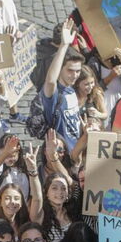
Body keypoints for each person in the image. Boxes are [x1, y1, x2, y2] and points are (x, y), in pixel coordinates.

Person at [39, 18, 84, 149]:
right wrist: (64, 45)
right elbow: (50, 81)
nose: (75, 75)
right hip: (61, 155)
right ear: (60, 69)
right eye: (70, 70)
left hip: (76, 152)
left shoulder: (71, 90)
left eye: (78, 71)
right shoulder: (54, 93)